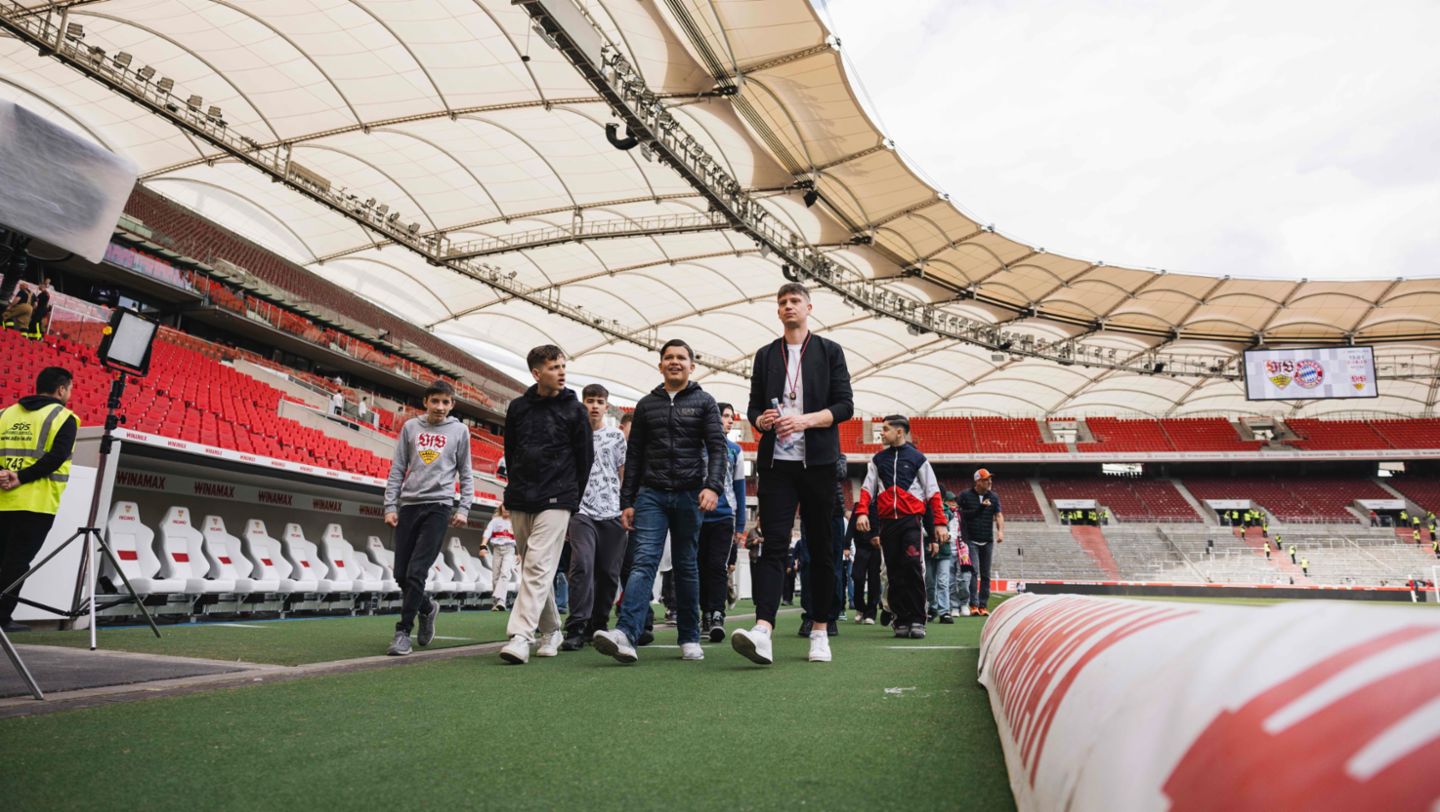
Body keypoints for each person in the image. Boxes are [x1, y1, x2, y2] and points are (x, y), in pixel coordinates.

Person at [733, 282, 853, 666]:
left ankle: (820, 629)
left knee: (821, 548)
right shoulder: (766, 355)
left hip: (818, 463)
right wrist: (762, 422)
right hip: (776, 465)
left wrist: (805, 421)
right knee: (773, 545)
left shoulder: (829, 351)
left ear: (809, 307)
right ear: (777, 310)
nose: (788, 306)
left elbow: (845, 405)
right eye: (782, 302)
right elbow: (751, 408)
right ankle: (763, 629)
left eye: (794, 301)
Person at [591, 339, 727, 665]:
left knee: (685, 565)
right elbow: (634, 456)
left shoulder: (705, 402)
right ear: (661, 364)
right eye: (669, 358)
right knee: (643, 562)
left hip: (689, 493)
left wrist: (713, 487)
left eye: (681, 357)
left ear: (692, 365)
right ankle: (626, 633)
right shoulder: (646, 405)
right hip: (651, 494)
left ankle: (690, 637)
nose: (675, 362)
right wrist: (628, 501)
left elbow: (717, 447)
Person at [497, 346, 593, 665]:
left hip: (560, 495)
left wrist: (571, 500)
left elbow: (585, 460)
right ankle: (551, 629)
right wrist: (515, 487)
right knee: (533, 567)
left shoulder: (576, 410)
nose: (562, 372)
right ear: (537, 373)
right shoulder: (518, 408)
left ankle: (520, 635)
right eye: (554, 367)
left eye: (564, 366)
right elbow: (511, 451)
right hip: (522, 496)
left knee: (537, 564)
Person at [382, 379, 473, 655]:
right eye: (435, 401)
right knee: (401, 574)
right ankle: (427, 607)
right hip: (409, 505)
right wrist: (390, 505)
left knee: (416, 572)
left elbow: (465, 472)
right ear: (426, 402)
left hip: (439, 506)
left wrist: (464, 508)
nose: (440, 407)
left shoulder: (459, 431)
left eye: (446, 402)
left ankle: (402, 633)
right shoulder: (411, 427)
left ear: (452, 404)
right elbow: (398, 467)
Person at [853, 415, 946, 639]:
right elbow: (867, 489)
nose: (881, 433)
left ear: (900, 432)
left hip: (911, 522)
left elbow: (933, 493)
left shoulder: (918, 459)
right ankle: (900, 618)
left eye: (885, 429)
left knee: (913, 566)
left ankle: (917, 619)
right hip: (888, 524)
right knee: (893, 572)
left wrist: (940, 524)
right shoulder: (877, 460)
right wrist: (862, 512)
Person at [0, 367, 78, 633]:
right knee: (17, 563)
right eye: (69, 389)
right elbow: (55, 458)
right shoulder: (64, 417)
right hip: (36, 503)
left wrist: (5, 475)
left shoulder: (5, 413)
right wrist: (20, 477)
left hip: (2, 501)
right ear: (61, 390)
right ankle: (2, 618)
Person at [559, 384, 627, 651]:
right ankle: (576, 626)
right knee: (582, 565)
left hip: (612, 510)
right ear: (582, 404)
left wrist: (626, 506)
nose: (595, 406)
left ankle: (598, 625)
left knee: (609, 573)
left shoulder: (616, 436)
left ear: (607, 406)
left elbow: (623, 472)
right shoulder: (572, 435)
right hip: (581, 511)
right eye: (590, 401)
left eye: (600, 401)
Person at [698, 402, 746, 643]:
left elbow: (739, 489)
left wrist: (740, 526)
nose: (728, 421)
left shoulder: (735, 450)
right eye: (724, 416)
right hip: (697, 515)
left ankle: (717, 614)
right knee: (698, 567)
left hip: (724, 515)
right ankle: (704, 613)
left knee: (717, 566)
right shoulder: (698, 446)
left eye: (731, 417)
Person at [958, 468, 1004, 617]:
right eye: (986, 479)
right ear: (977, 481)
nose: (989, 482)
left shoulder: (994, 497)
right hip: (971, 540)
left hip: (987, 540)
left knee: (986, 574)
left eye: (990, 479)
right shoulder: (965, 495)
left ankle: (983, 605)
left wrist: (1000, 531)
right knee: (974, 572)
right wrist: (979, 508)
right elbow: (960, 515)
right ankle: (973, 604)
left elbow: (998, 515)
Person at [925, 490, 956, 623]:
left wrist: (948, 536)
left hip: (944, 552)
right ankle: (932, 608)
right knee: (930, 583)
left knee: (943, 582)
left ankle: (945, 611)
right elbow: (920, 528)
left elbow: (954, 531)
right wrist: (932, 535)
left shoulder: (948, 512)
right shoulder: (924, 510)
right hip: (928, 551)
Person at [482, 506, 517, 611]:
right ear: (501, 508)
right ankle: (496, 603)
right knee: (495, 576)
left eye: (508, 507)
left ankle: (501, 601)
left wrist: (520, 553)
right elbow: (487, 532)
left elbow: (519, 537)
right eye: (504, 507)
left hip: (509, 549)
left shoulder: (515, 522)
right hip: (497, 549)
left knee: (505, 574)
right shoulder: (495, 520)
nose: (506, 509)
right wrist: (483, 545)